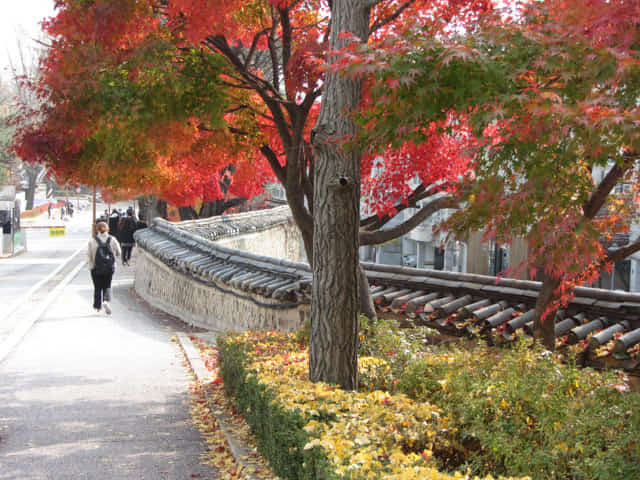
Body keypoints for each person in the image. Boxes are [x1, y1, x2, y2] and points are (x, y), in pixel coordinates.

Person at [87, 221, 121, 314]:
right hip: (109, 267)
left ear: (97, 229)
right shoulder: (112, 239)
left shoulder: (92, 240)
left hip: (96, 267)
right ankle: (106, 301)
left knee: (97, 287)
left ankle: (98, 307)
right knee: (107, 285)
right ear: (107, 229)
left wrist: (91, 265)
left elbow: (89, 255)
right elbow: (119, 252)